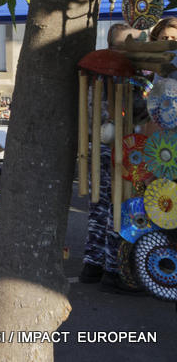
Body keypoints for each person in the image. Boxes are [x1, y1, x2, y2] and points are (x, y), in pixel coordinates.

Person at [79, 23, 144, 293]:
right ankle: (113, 270)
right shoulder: (116, 73)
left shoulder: (99, 71)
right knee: (116, 209)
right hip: (116, 149)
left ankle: (92, 264)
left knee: (101, 208)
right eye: (130, 44)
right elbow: (131, 111)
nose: (135, 50)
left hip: (102, 148)